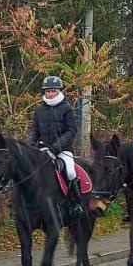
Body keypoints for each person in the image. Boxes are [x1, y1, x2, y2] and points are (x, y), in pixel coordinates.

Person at [28, 74, 83, 215]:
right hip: (43, 150)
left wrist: (56, 147)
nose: (50, 93)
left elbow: (71, 131)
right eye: (48, 91)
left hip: (63, 150)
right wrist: (29, 146)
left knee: (70, 172)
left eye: (53, 91)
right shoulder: (39, 110)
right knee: (25, 168)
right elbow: (35, 132)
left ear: (59, 91)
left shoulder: (67, 108)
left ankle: (75, 203)